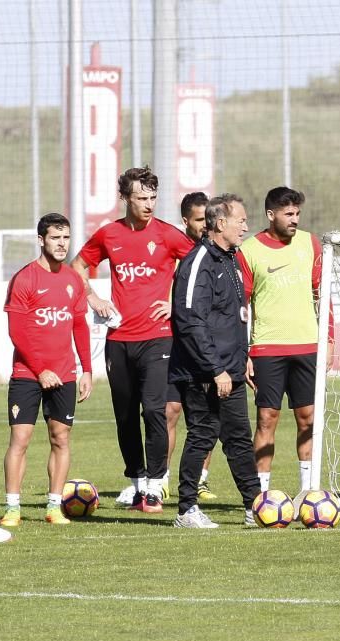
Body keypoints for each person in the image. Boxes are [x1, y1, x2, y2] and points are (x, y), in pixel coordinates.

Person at [69, 166, 195, 513]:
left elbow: (197, 266)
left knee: (154, 409)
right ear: (125, 198)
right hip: (118, 339)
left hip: (158, 338)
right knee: (124, 415)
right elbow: (78, 266)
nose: (149, 204)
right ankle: (138, 483)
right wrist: (92, 297)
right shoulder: (109, 235)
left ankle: (156, 485)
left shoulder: (169, 235)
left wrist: (173, 301)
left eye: (153, 197)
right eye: (141, 198)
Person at [170, 193, 262, 528]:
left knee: (239, 436)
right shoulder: (198, 262)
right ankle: (186, 509)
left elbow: (232, 317)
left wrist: (243, 358)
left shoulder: (232, 259)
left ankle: (254, 507)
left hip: (230, 367)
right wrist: (216, 369)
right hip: (203, 371)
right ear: (220, 223)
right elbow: (190, 320)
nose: (246, 226)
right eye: (240, 220)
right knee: (203, 434)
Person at [237, 187, 329, 507]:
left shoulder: (310, 243)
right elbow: (242, 305)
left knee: (308, 419)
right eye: (288, 214)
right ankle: (260, 495)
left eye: (297, 214)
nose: (294, 220)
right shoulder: (249, 250)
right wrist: (243, 352)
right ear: (271, 215)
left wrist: (327, 338)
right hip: (266, 348)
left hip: (306, 345)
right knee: (267, 419)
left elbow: (323, 292)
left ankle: (307, 491)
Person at [0, 213, 93, 527]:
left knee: (61, 439)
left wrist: (87, 370)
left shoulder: (72, 280)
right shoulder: (25, 278)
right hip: (28, 374)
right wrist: (40, 370)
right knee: (21, 438)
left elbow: (79, 325)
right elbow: (17, 332)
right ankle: (13, 508)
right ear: (41, 240)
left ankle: (54, 507)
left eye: (65, 237)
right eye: (55, 237)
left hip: (65, 373)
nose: (62, 244)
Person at [164, 191, 216, 502]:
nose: (206, 226)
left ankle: (201, 480)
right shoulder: (175, 250)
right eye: (200, 220)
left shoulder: (216, 253)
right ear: (186, 221)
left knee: (206, 416)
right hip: (173, 343)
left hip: (206, 345)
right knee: (170, 411)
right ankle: (163, 478)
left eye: (209, 219)